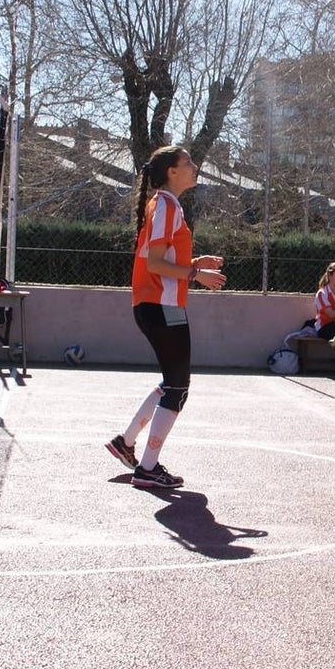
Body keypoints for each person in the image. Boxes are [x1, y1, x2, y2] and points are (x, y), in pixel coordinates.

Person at [104, 145, 226, 488]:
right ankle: (148, 468)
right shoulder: (167, 205)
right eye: (188, 162)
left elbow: (158, 256)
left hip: (156, 303)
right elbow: (156, 263)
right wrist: (194, 275)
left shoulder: (163, 205)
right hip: (162, 305)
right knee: (178, 387)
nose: (194, 165)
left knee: (170, 382)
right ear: (172, 172)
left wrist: (196, 263)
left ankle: (126, 443)